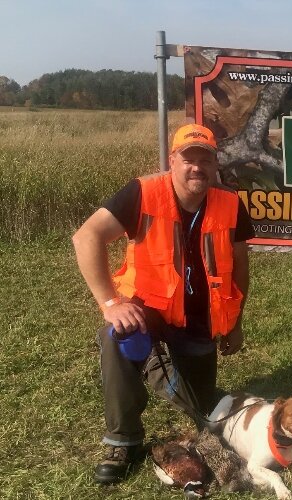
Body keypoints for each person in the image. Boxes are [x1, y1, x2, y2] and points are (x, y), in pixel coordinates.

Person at [72, 124, 254, 484]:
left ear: (216, 164)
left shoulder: (230, 204)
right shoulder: (143, 193)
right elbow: (86, 236)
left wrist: (235, 322)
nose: (196, 167)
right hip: (145, 312)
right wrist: (110, 303)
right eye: (188, 159)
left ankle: (158, 364)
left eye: (205, 159)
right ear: (172, 160)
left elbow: (240, 267)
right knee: (116, 335)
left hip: (198, 326)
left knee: (203, 411)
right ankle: (123, 440)